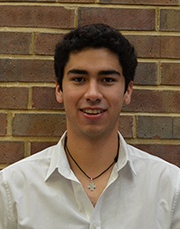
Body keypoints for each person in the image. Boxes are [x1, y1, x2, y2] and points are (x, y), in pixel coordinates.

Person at [0, 23, 179, 229]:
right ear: (59, 89)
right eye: (79, 79)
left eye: (107, 79)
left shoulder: (170, 189)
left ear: (127, 91)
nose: (93, 94)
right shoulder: (10, 190)